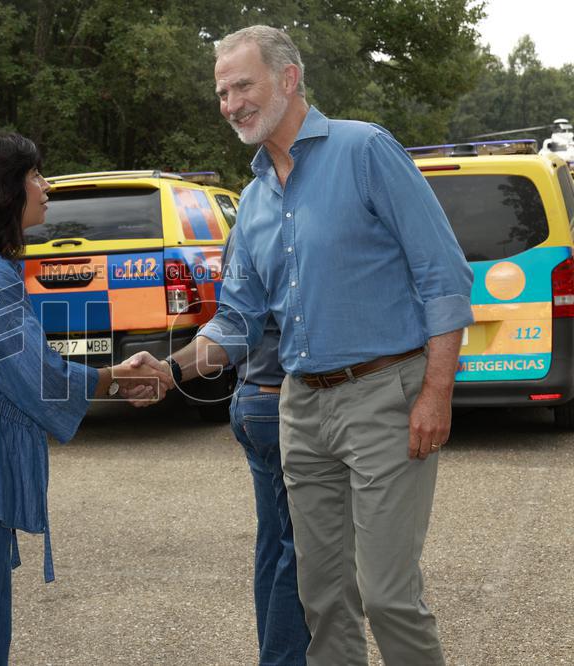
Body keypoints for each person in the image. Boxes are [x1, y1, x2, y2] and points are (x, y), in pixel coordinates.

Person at [131, 26, 473, 666]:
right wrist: (169, 370)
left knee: (388, 594)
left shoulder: (366, 149)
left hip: (385, 397)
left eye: (242, 85)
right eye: (222, 92)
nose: (231, 103)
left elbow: (445, 277)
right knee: (321, 596)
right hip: (301, 409)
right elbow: (235, 321)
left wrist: (436, 392)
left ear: (288, 79)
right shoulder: (255, 201)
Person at [0, 126, 171, 665]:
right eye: (33, 175)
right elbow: (39, 379)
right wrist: (122, 377)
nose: (45, 187)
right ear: (4, 189)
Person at [220, 223, 310, 665]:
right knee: (300, 554)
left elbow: (235, 316)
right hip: (282, 399)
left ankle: (274, 653)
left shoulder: (246, 223)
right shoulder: (298, 225)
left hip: (250, 397)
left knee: (275, 544)